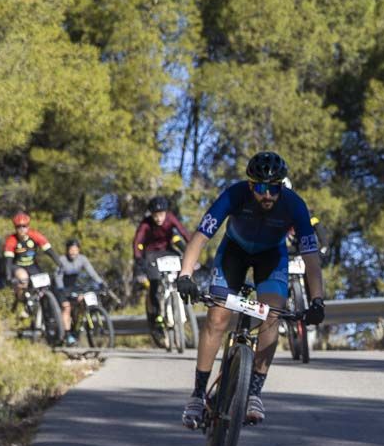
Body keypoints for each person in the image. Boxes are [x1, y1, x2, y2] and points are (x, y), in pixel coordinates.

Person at [174, 151, 326, 426]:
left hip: (271, 257)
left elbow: (311, 260)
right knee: (217, 317)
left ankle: (254, 391)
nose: (267, 195)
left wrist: (317, 300)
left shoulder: (295, 205)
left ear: (282, 186)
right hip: (234, 253)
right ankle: (198, 395)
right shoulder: (233, 195)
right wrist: (185, 274)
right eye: (260, 187)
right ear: (249, 185)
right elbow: (200, 237)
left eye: (274, 188)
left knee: (273, 314)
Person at [133, 196, 190, 344]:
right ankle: (157, 315)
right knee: (155, 282)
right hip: (151, 254)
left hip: (168, 251)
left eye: (161, 215)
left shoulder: (171, 218)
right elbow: (137, 242)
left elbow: (183, 232)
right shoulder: (146, 224)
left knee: (183, 268)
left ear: (166, 213)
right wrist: (139, 260)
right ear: (151, 214)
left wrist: (192, 248)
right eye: (155, 215)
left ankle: (181, 303)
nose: (158, 218)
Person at [3, 212, 62, 305]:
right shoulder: (11, 240)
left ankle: (42, 308)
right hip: (18, 266)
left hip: (32, 265)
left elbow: (49, 251)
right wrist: (8, 276)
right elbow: (8, 261)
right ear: (15, 228)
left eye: (24, 226)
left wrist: (60, 264)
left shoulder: (35, 235)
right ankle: (20, 301)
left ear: (28, 226)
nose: (22, 229)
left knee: (44, 284)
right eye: (19, 227)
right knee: (23, 278)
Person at [55, 239, 106, 346]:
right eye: (71, 250)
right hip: (62, 287)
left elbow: (92, 272)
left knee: (83, 301)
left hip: (74, 286)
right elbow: (58, 276)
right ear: (67, 250)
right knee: (67, 307)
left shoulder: (82, 259)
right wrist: (61, 289)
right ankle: (68, 335)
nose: (73, 252)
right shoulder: (62, 260)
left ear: (79, 250)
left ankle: (76, 327)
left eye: (75, 250)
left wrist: (100, 283)